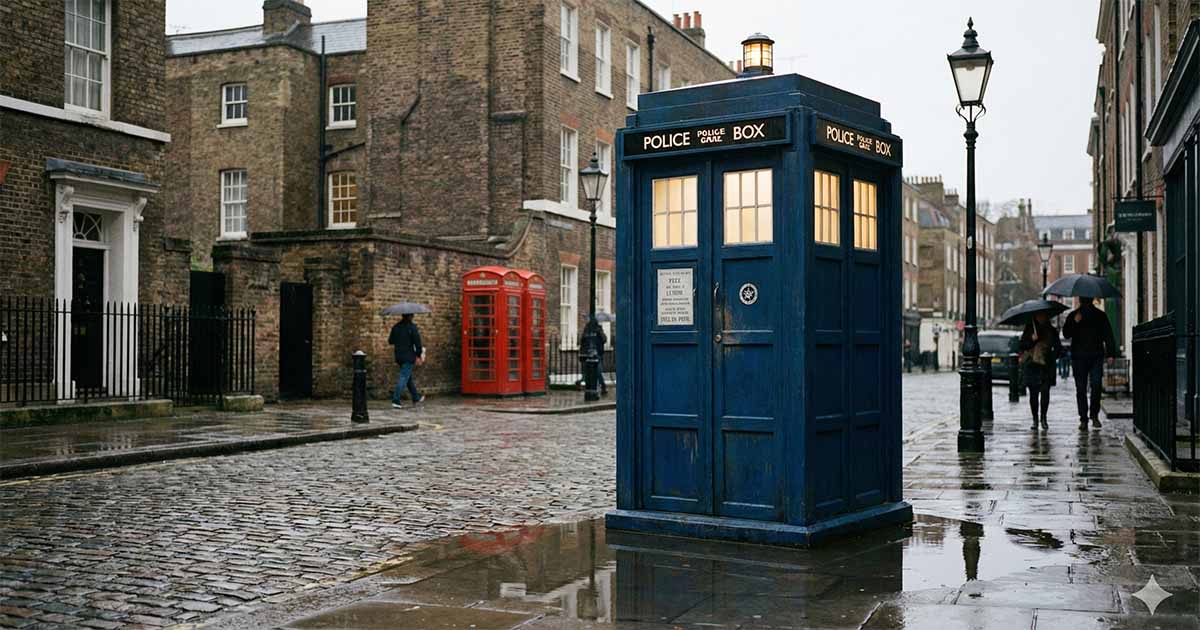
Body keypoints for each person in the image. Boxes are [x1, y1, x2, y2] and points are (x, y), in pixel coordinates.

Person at [1062, 296, 1117, 429]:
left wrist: (1111, 353)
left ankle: (1094, 415)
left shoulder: (1100, 315)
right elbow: (1066, 333)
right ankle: (1083, 418)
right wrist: (1075, 322)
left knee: (1096, 385)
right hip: (1079, 357)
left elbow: (1108, 334)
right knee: (1081, 388)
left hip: (1095, 356)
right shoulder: (1074, 315)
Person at [1020, 311, 1063, 431]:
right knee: (1033, 395)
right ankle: (1035, 419)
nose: (1041, 317)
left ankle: (1043, 418)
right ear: (1035, 316)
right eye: (1039, 315)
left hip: (1046, 367)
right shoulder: (1029, 329)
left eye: (1043, 315)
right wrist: (1032, 340)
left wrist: (1051, 356)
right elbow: (1022, 345)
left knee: (1045, 393)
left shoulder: (1052, 331)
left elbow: (1058, 348)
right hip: (1032, 365)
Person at [388, 313, 424, 409]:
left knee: (408, 378)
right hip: (409, 356)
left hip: (399, 356)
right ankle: (396, 400)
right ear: (410, 316)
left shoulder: (396, 327)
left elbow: (390, 341)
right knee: (404, 377)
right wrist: (418, 355)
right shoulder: (412, 327)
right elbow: (418, 343)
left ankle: (416, 398)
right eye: (412, 315)